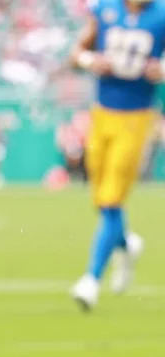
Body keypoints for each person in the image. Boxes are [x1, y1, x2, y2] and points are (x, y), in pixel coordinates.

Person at [69, 0, 165, 310]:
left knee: (111, 200)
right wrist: (89, 61)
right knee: (100, 198)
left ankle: (91, 279)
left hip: (137, 117)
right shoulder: (105, 10)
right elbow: (76, 53)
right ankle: (125, 242)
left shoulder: (160, 13)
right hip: (101, 113)